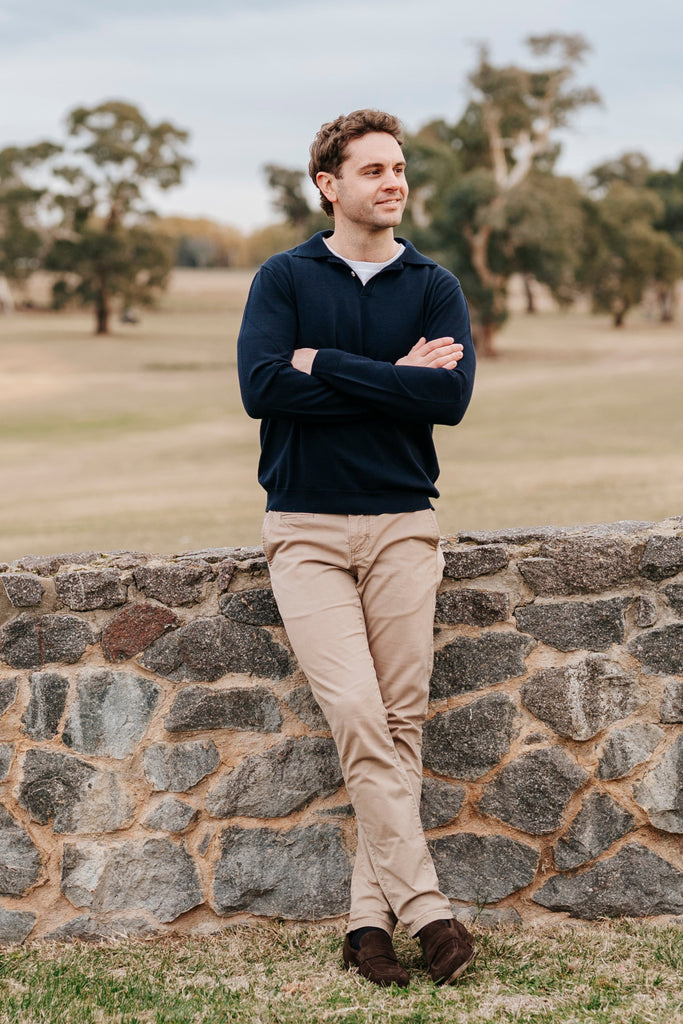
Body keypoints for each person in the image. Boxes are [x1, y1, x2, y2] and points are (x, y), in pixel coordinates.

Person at [237, 109, 476, 988]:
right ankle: (427, 911)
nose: (394, 182)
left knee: (398, 725)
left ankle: (365, 928)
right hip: (304, 528)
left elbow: (446, 401)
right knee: (358, 716)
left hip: (403, 523)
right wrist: (394, 379)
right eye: (373, 169)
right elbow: (262, 387)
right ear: (328, 185)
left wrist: (324, 365)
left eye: (400, 168)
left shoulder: (432, 282)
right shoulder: (283, 277)